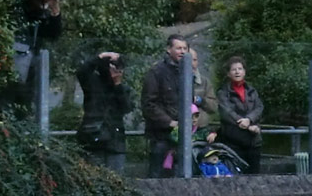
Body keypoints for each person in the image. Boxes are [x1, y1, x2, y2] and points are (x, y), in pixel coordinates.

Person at [3, 0, 70, 105]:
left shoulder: (40, 15)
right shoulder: (16, 7)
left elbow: (53, 34)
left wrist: (54, 8)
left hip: (30, 71)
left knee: (24, 105)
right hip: (10, 68)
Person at [75, 52, 133, 174]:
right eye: (112, 65)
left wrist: (117, 84)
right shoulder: (93, 83)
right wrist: (100, 56)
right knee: (92, 178)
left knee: (117, 180)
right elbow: (81, 72)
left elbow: (126, 107)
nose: (116, 69)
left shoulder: (122, 88)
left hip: (115, 141)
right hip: (93, 139)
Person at [141, 34, 190, 177]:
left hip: (183, 135)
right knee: (158, 177)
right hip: (161, 136)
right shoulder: (156, 72)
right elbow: (149, 104)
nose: (182, 51)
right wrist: (170, 122)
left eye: (184, 48)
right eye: (178, 48)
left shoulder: (186, 73)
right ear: (169, 50)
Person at [216, 56, 263, 174]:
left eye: (240, 69)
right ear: (228, 73)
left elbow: (259, 107)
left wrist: (249, 119)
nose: (237, 72)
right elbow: (226, 112)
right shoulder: (223, 92)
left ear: (244, 71)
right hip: (233, 140)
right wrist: (245, 123)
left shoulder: (252, 91)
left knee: (254, 175)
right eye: (233, 69)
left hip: (253, 140)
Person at [189, 48, 218, 128]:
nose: (192, 63)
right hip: (178, 128)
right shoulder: (173, 81)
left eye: (195, 60)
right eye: (189, 60)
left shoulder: (204, 82)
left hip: (201, 128)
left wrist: (201, 100)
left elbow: (214, 107)